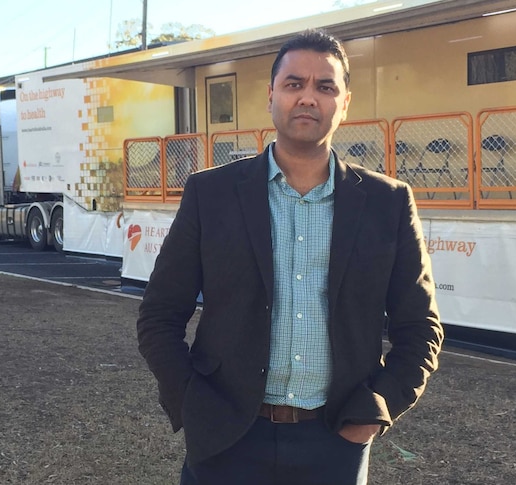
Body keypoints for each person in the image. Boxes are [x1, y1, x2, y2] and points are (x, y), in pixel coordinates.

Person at [136, 29, 443, 485]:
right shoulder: (211, 193)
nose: (307, 98)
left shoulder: (388, 202)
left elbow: (420, 329)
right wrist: (192, 402)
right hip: (226, 440)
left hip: (335, 441)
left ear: (345, 103)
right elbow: (160, 314)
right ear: (271, 96)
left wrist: (374, 412)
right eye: (294, 84)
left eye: (325, 86)